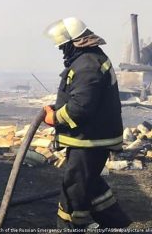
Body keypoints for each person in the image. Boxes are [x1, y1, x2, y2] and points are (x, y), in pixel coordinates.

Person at [43, 17, 132, 230]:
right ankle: (116, 222)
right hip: (91, 137)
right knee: (90, 183)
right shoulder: (90, 60)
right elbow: (82, 98)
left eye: (63, 47)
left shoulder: (87, 64)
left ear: (73, 43)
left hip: (90, 140)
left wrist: (53, 118)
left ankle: (69, 226)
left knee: (74, 187)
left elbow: (81, 107)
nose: (62, 51)